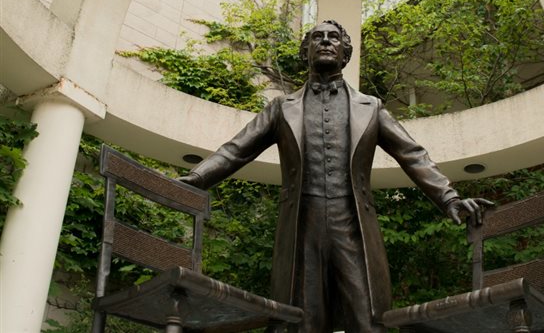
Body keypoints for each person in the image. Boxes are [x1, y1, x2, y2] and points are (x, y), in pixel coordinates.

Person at [178, 20, 492, 332]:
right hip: (302, 227)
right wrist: (195, 180)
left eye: (333, 37)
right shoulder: (281, 108)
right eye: (318, 37)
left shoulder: (371, 108)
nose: (326, 41)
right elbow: (235, 150)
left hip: (353, 225)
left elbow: (412, 154)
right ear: (305, 52)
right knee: (303, 320)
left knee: (366, 316)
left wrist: (449, 198)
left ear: (345, 54)